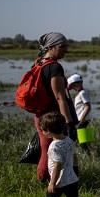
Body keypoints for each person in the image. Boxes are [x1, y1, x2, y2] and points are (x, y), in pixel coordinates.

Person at [33, 32, 78, 182]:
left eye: (66, 46)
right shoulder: (55, 67)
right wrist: (70, 123)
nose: (66, 50)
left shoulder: (38, 63)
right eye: (62, 47)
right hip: (55, 118)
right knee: (59, 151)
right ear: (51, 47)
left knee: (45, 150)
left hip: (40, 115)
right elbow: (60, 97)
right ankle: (59, 183)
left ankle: (42, 181)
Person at [38, 111, 93, 197]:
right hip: (71, 178)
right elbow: (75, 157)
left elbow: (58, 165)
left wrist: (52, 183)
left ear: (48, 131)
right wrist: (76, 172)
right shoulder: (68, 140)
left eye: (42, 129)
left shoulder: (54, 147)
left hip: (59, 181)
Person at [67, 73, 92, 152]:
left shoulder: (82, 93)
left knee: (81, 138)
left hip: (83, 119)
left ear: (80, 83)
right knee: (81, 137)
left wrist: (82, 118)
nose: (74, 88)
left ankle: (86, 153)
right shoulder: (80, 93)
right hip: (81, 118)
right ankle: (86, 151)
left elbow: (88, 106)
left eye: (75, 85)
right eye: (72, 86)